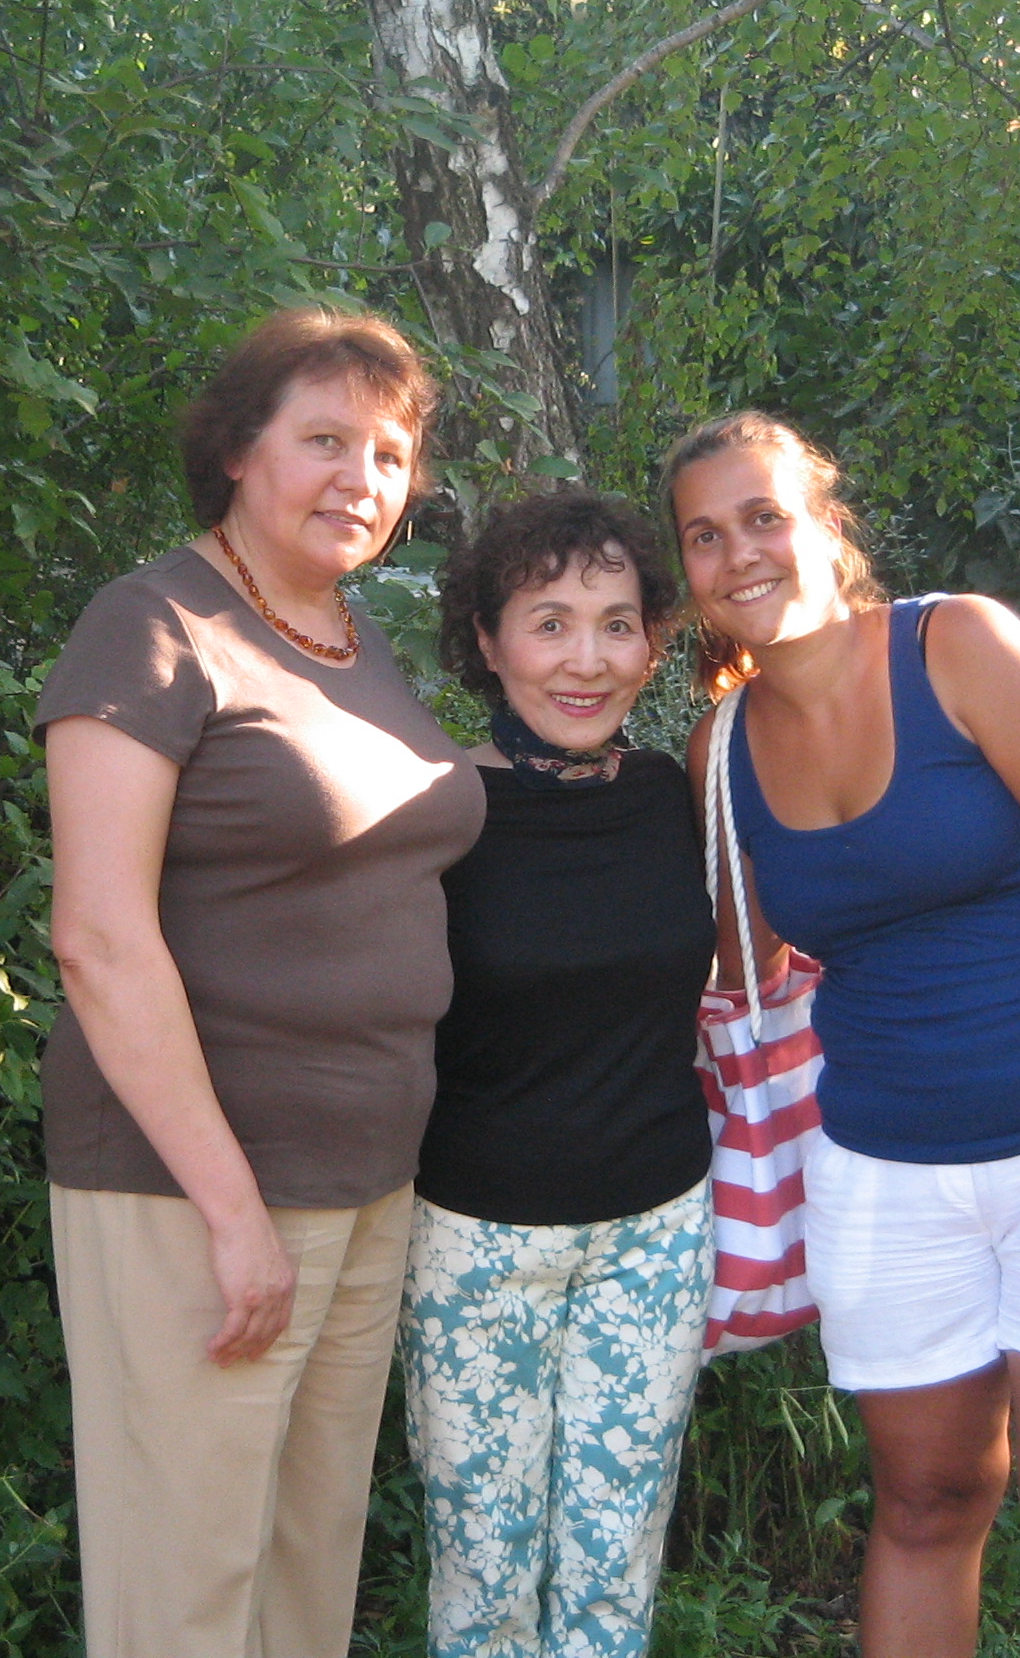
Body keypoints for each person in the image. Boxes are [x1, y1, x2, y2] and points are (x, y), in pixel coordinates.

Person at [667, 411, 1020, 1658]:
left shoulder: (957, 646)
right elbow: (741, 970)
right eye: (704, 536)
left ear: (827, 526)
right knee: (925, 1508)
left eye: (763, 516)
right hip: (880, 1177)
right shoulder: (721, 750)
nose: (738, 552)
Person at [38, 306, 487, 1658]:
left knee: (305, 1573)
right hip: (197, 1191)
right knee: (185, 1590)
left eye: (391, 455)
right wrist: (230, 1211)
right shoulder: (151, 625)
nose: (363, 478)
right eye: (326, 441)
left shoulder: (351, 635)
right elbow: (99, 937)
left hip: (367, 1181)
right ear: (239, 449)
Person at [405, 490, 717, 1658]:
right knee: (482, 1570)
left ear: (652, 644)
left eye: (617, 624)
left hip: (657, 1233)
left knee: (617, 1563)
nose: (587, 660)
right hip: (473, 1241)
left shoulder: (671, 795)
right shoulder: (438, 810)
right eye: (550, 624)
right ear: (487, 642)